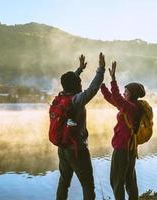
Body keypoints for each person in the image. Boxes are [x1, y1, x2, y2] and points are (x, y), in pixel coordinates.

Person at [56, 53, 106, 200]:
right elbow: (93, 89)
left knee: (64, 182)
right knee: (88, 185)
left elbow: (69, 82)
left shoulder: (61, 97)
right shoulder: (77, 100)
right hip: (77, 149)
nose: (81, 84)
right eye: (79, 82)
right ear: (77, 85)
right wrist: (101, 69)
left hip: (62, 147)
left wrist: (79, 69)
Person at [100, 61, 145, 200]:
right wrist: (101, 86)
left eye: (126, 91)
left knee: (117, 181)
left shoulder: (130, 107)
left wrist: (113, 79)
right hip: (130, 148)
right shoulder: (130, 107)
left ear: (131, 94)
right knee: (130, 179)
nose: (124, 93)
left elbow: (117, 98)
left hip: (122, 148)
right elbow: (113, 98)